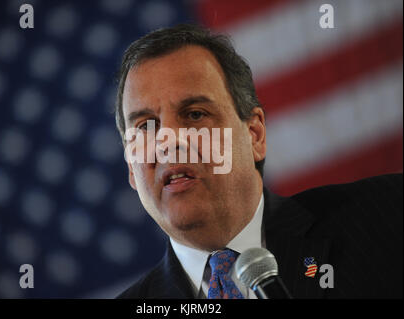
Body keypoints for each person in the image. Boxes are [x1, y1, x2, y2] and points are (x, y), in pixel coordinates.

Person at [114, 24, 402, 299]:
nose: (169, 141)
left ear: (255, 135)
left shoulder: (385, 218)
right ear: (131, 167)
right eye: (146, 126)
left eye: (195, 114)